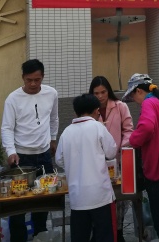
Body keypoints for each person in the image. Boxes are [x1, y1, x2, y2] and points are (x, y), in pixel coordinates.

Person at [1, 59, 59, 242]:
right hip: (21, 157)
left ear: (43, 77)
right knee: (18, 203)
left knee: (42, 200)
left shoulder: (51, 94)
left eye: (37, 80)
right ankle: (18, 238)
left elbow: (54, 119)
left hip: (44, 155)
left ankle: (39, 235)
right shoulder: (13, 99)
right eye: (29, 80)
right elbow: (7, 128)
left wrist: (53, 139)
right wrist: (11, 151)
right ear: (22, 78)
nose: (33, 84)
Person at [124, 74, 159, 242]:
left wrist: (132, 140)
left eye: (133, 96)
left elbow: (147, 127)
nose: (135, 101)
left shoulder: (148, 103)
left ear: (138, 91)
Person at [55, 94, 117, 242]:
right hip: (100, 195)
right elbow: (111, 152)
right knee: (105, 236)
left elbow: (59, 160)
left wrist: (74, 165)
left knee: (80, 236)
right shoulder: (98, 127)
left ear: (75, 112)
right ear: (96, 110)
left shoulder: (66, 132)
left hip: (77, 198)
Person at [89, 76, 133, 242]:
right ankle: (100, 230)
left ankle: (118, 231)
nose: (100, 96)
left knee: (119, 198)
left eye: (103, 92)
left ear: (109, 91)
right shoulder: (89, 110)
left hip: (117, 159)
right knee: (99, 197)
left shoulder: (120, 106)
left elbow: (128, 130)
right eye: (96, 93)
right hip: (96, 161)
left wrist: (121, 146)